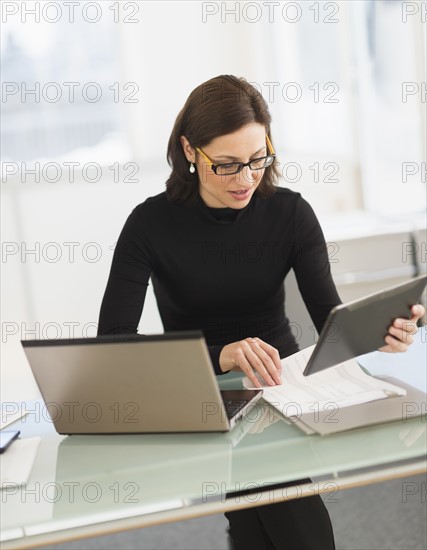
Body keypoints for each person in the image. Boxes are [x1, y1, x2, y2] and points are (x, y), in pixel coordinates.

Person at [97, 75, 424, 550]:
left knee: (269, 513)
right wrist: (222, 355)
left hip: (281, 387)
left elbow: (333, 319)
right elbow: (114, 343)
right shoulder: (150, 224)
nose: (246, 178)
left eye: (257, 159)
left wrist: (379, 332)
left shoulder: (290, 213)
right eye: (227, 165)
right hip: (203, 392)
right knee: (271, 516)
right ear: (190, 151)